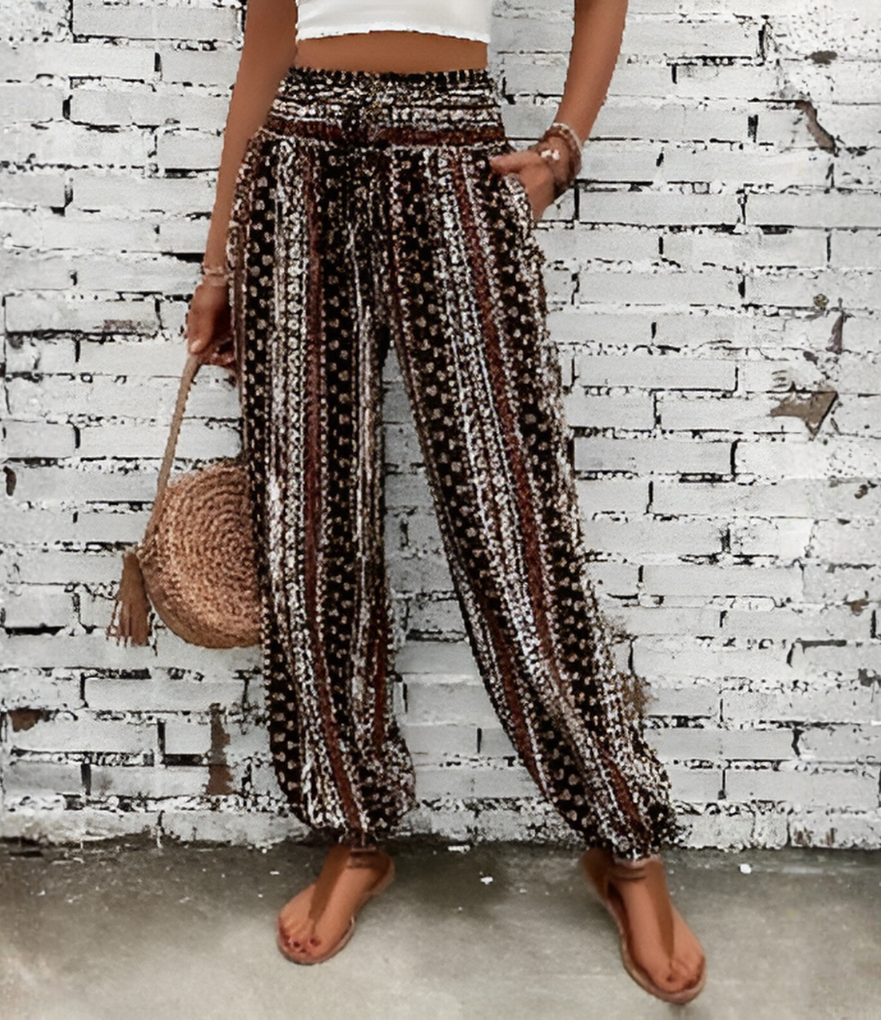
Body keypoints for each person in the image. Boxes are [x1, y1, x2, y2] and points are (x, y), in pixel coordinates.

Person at [184, 0, 706, 1003]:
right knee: (308, 528)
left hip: (456, 159)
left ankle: (625, 842)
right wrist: (218, 263)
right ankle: (354, 832)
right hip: (296, 169)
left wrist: (563, 145)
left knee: (513, 525)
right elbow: (266, 45)